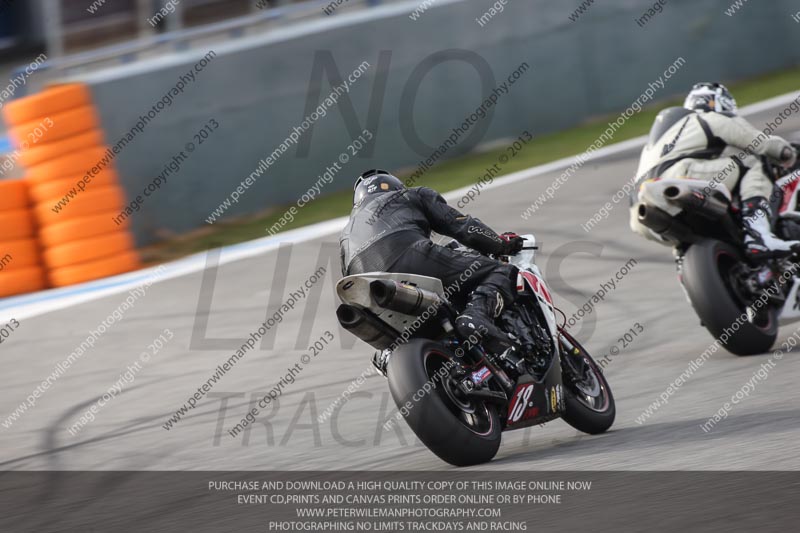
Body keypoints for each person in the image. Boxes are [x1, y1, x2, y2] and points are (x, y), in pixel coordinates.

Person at [339, 169, 524, 356]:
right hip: (409, 254)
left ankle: (391, 357)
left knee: (392, 345)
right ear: (395, 187)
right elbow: (462, 226)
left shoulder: (345, 234)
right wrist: (501, 244)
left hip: (365, 289)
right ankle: (476, 317)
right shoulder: (409, 195)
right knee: (501, 271)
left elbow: (347, 276)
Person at [632, 82, 799, 258]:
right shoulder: (708, 118)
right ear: (720, 103)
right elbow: (759, 143)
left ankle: (690, 259)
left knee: (686, 244)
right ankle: (758, 236)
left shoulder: (662, 140)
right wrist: (788, 153)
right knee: (752, 162)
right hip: (682, 176)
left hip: (643, 207)